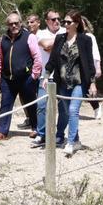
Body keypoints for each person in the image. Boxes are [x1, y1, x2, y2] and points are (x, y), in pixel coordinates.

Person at [47, 10, 98, 158]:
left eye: (68, 22)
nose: (65, 25)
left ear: (76, 23)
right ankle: (76, 140)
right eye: (65, 22)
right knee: (67, 112)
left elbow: (89, 64)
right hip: (62, 82)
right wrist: (45, 76)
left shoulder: (85, 40)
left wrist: (92, 83)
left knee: (74, 109)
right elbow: (53, 60)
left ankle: (69, 143)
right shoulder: (60, 38)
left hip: (79, 82)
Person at [0, 12, 42, 142]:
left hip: (26, 79)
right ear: (7, 25)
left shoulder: (29, 37)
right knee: (5, 105)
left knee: (31, 104)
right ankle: (2, 131)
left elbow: (37, 57)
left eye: (16, 23)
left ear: (20, 23)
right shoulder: (4, 39)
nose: (14, 25)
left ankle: (36, 128)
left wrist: (34, 76)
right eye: (11, 23)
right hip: (7, 79)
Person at [31, 10, 64, 147]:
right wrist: (62, 42)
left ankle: (60, 135)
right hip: (46, 75)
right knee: (42, 105)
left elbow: (51, 46)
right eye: (53, 19)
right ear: (47, 21)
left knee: (64, 107)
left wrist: (54, 44)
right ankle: (42, 134)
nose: (56, 21)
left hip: (63, 76)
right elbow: (46, 45)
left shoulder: (65, 30)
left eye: (58, 18)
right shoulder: (40, 34)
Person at [79, 16, 103, 121]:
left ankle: (97, 107)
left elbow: (95, 52)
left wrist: (98, 67)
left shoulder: (89, 36)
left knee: (89, 90)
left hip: (89, 67)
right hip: (78, 68)